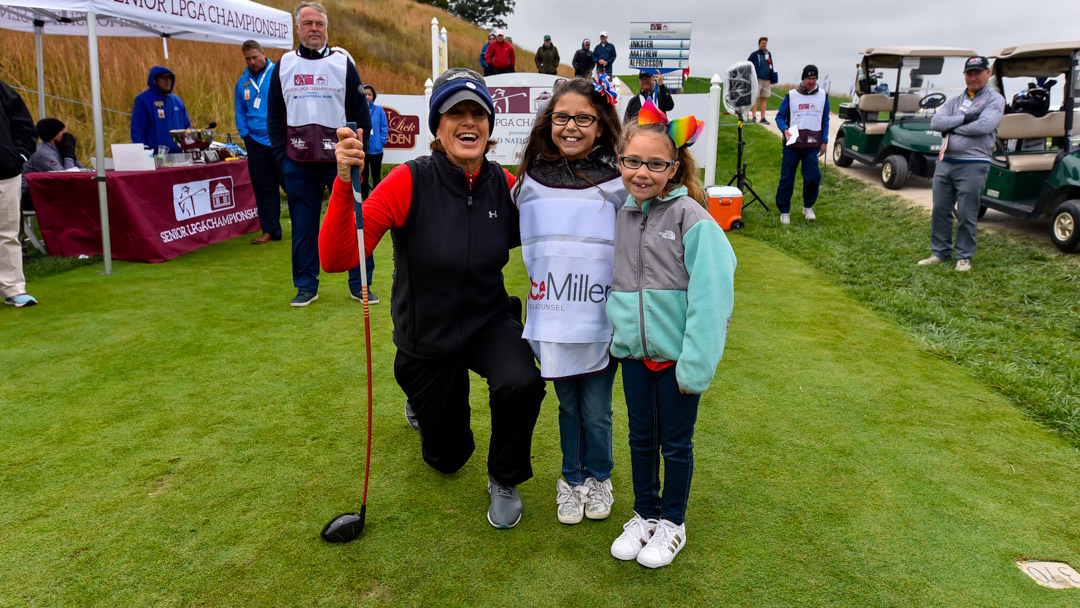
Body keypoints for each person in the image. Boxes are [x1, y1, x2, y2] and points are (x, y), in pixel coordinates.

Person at [320, 68, 546, 529]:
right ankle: (420, 402)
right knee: (448, 457)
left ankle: (504, 477)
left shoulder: (504, 185)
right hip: (428, 332)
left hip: (487, 320)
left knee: (522, 381)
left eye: (478, 113)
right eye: (455, 112)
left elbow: (554, 233)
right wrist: (344, 183)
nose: (469, 122)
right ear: (437, 128)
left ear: (489, 125)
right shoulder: (409, 181)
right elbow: (339, 256)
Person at [607, 100, 736, 568]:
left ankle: (673, 524)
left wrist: (696, 364)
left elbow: (713, 294)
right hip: (635, 356)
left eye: (655, 163)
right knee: (641, 437)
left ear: (674, 167)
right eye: (632, 161)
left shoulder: (691, 217)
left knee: (675, 443)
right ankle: (645, 515)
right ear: (620, 161)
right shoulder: (620, 212)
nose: (642, 172)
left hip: (679, 360)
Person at [512, 76, 626, 525]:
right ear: (549, 121)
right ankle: (571, 480)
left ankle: (599, 476)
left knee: (597, 411)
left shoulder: (620, 179)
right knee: (566, 406)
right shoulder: (530, 178)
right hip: (554, 316)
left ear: (600, 125)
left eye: (583, 118)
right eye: (562, 117)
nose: (571, 126)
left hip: (600, 317)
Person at [266, 1, 370, 307]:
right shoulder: (283, 65)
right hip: (298, 161)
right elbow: (274, 116)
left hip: (341, 159)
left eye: (319, 24)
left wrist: (358, 152)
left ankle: (360, 283)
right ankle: (306, 285)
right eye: (308, 23)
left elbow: (360, 111)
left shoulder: (342, 63)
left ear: (327, 29)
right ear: (298, 28)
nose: (314, 28)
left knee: (355, 221)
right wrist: (280, 159)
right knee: (303, 226)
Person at [920, 56, 1005, 272]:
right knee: (940, 209)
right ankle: (940, 252)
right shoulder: (956, 100)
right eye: (969, 73)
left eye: (977, 73)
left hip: (973, 163)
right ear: (965, 75)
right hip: (946, 161)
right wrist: (966, 119)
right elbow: (936, 122)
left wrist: (952, 126)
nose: (973, 77)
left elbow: (984, 126)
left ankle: (964, 256)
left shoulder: (995, 100)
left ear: (987, 74)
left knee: (967, 212)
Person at [234, 39, 284, 245]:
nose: (252, 61)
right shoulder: (242, 81)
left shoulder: (278, 74)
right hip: (255, 142)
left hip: (280, 139)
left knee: (293, 184)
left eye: (255, 57)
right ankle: (270, 230)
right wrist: (245, 134)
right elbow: (240, 110)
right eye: (248, 59)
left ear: (264, 53)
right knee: (264, 188)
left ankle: (303, 226)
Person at [774, 64, 829, 225]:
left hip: (812, 144)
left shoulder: (823, 96)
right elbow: (780, 116)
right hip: (792, 145)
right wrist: (784, 129)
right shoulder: (791, 95)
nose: (811, 82)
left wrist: (824, 141)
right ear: (803, 79)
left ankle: (808, 206)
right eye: (808, 79)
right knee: (787, 178)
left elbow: (825, 120)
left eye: (814, 79)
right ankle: (784, 210)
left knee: (813, 177)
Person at [0, 78, 37, 308]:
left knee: (7, 232)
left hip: (4, 173)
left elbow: (25, 127)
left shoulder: (4, 91)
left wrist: (18, 158)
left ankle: (13, 289)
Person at [131, 66, 191, 153]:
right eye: (164, 78)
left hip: (179, 156)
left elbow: (187, 127)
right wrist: (143, 153)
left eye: (170, 78)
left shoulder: (178, 101)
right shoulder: (143, 100)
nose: (168, 81)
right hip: (155, 157)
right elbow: (137, 130)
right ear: (155, 80)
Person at [21, 118, 82, 200]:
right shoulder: (42, 153)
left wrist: (73, 156)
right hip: (29, 193)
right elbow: (67, 178)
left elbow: (80, 170)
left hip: (43, 188)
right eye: (63, 132)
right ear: (53, 135)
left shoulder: (58, 148)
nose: (67, 135)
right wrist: (68, 155)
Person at [747, 37, 776, 123]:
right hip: (758, 79)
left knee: (764, 98)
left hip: (767, 79)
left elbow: (771, 65)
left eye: (765, 43)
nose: (764, 45)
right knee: (755, 98)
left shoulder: (768, 54)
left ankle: (763, 117)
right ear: (759, 44)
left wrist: (772, 77)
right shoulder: (755, 54)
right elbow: (748, 64)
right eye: (763, 43)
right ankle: (754, 116)